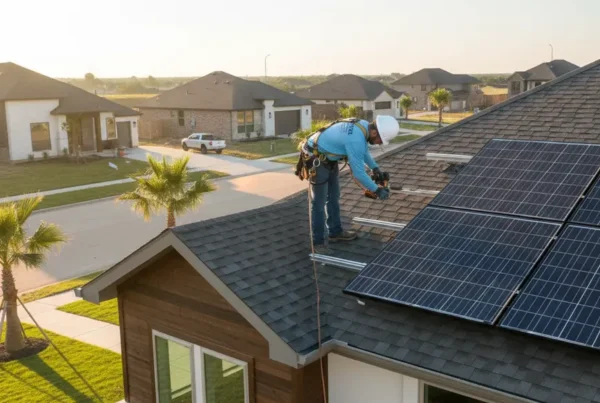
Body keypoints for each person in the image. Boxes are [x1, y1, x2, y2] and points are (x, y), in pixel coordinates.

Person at [301, 115, 400, 253]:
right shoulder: (356, 138)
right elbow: (359, 173)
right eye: (379, 140)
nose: (378, 143)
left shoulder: (364, 126)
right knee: (319, 202)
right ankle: (317, 243)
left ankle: (335, 232)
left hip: (328, 158)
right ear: (374, 132)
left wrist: (375, 168)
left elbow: (363, 151)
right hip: (315, 158)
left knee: (334, 196)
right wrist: (376, 190)